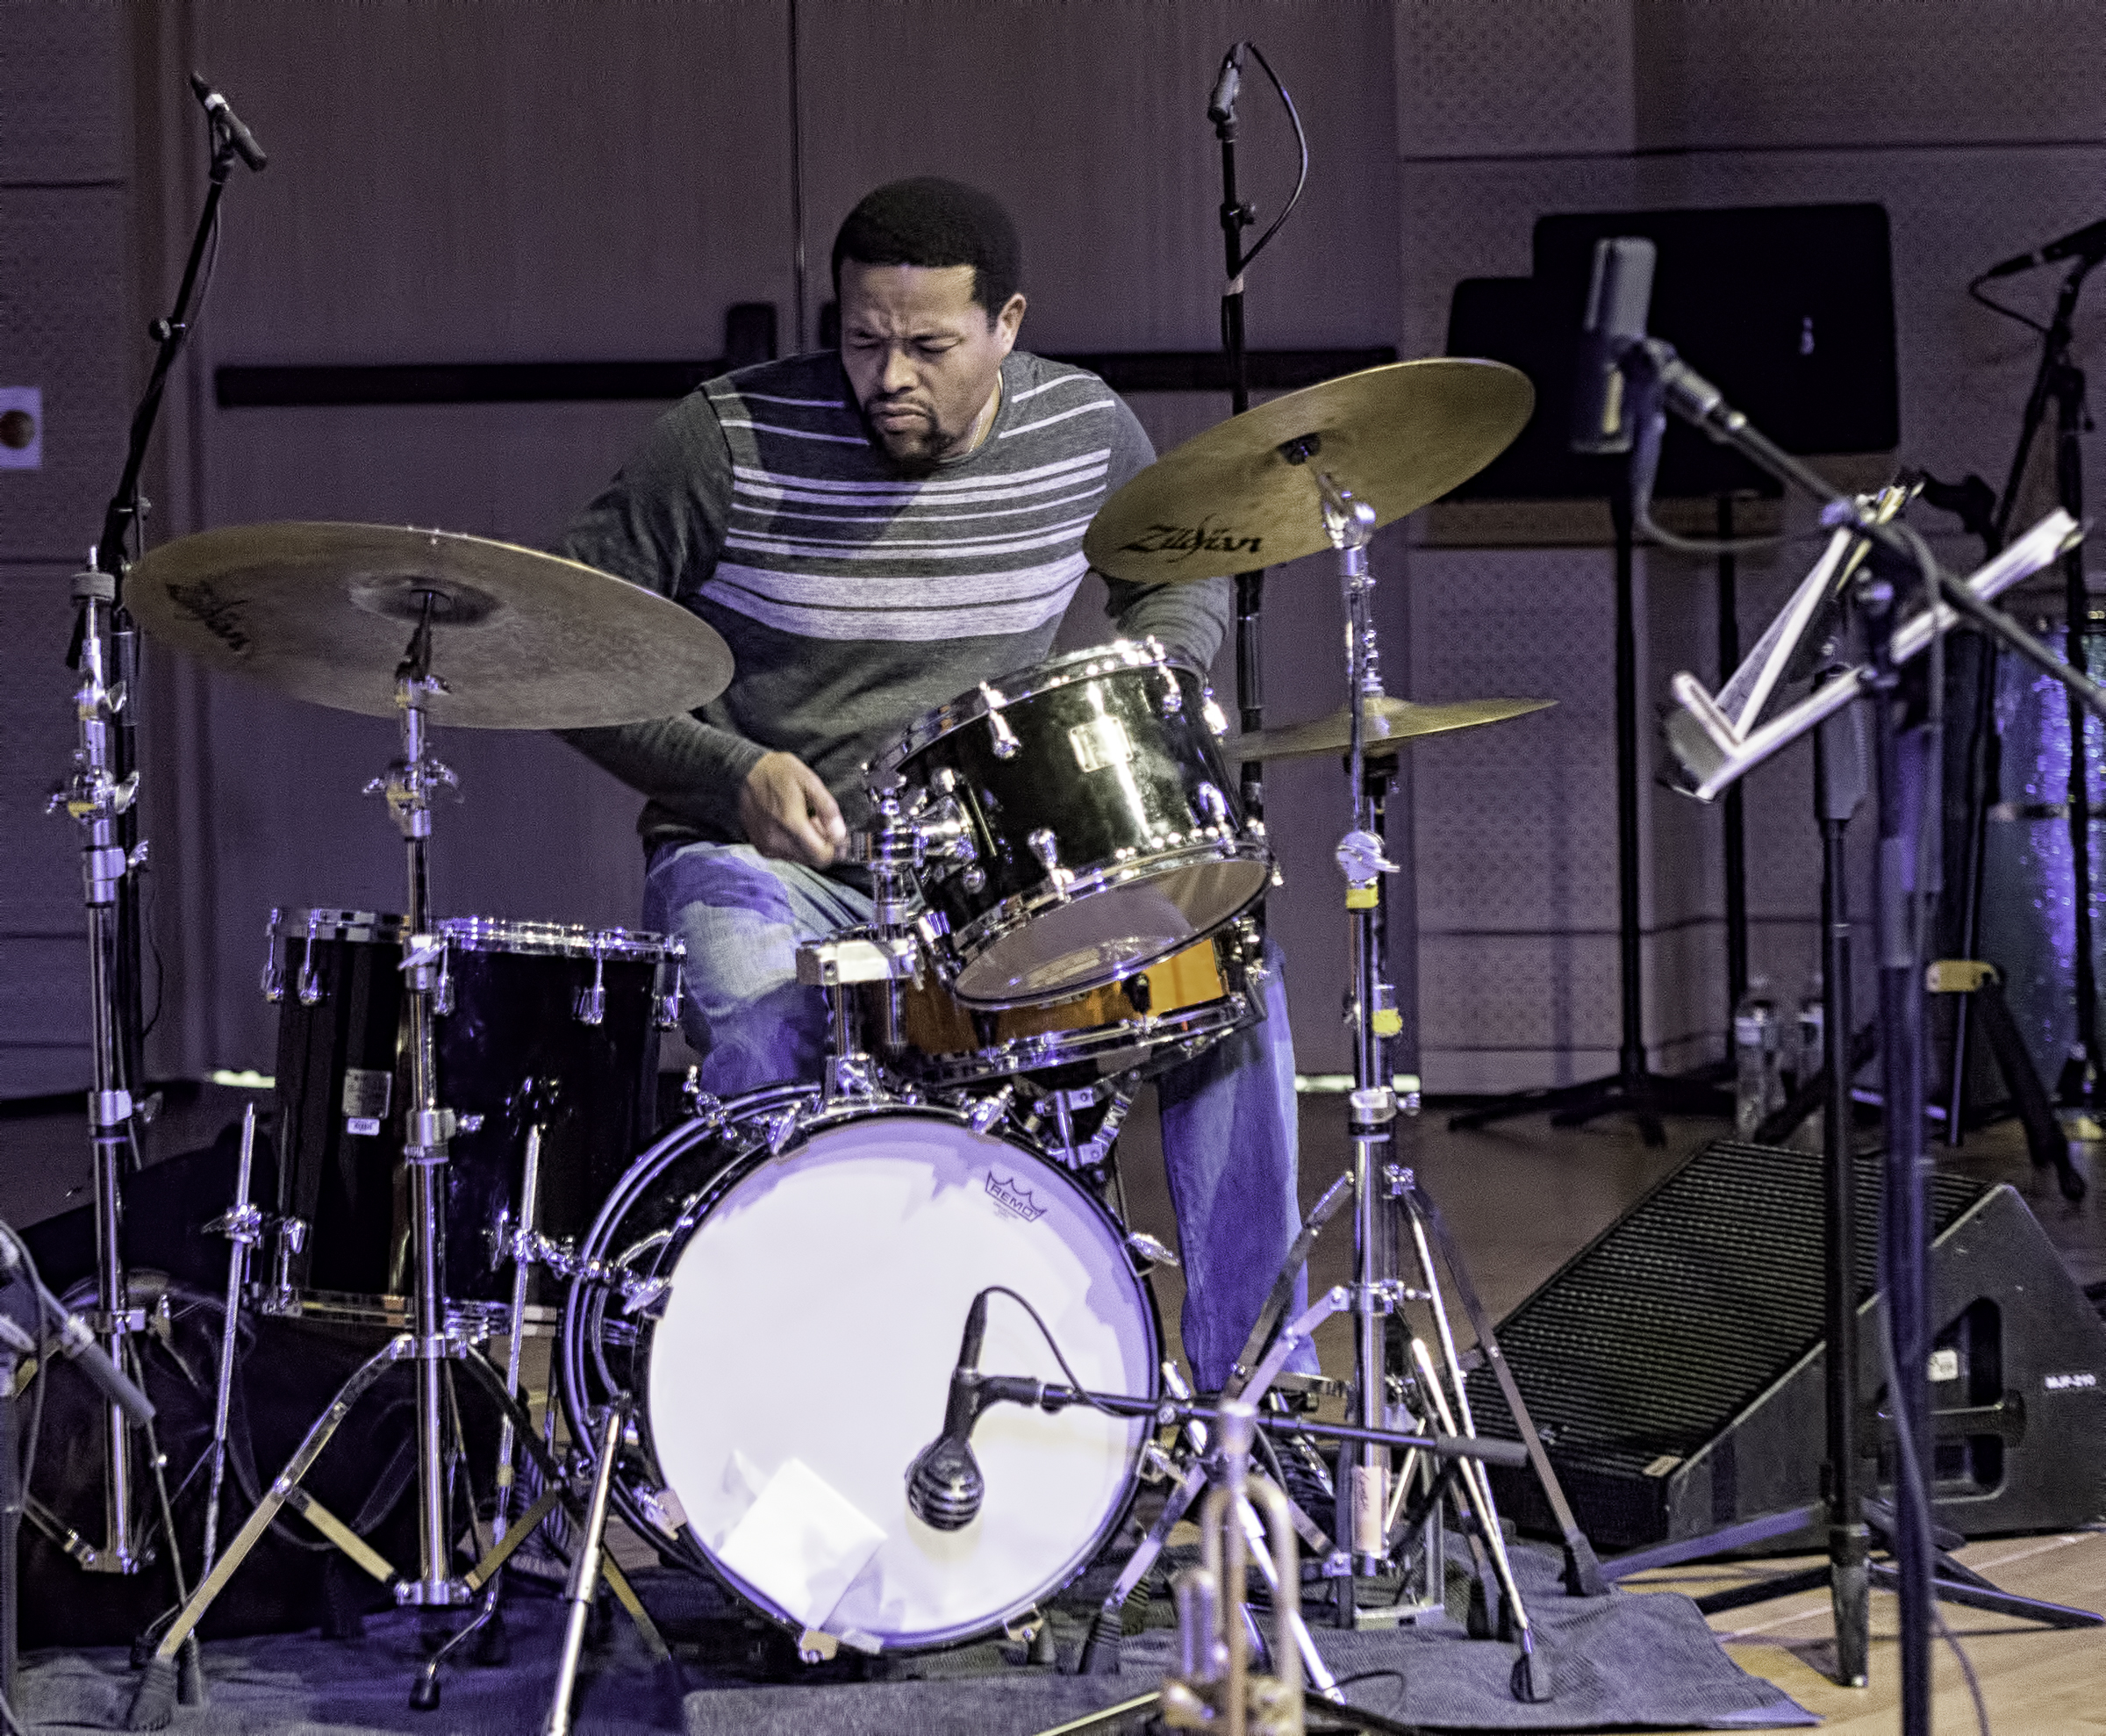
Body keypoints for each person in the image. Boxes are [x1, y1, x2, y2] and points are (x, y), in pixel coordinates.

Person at [557, 177, 1306, 1393]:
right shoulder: (725, 440)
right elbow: (567, 638)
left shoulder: (1086, 430)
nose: (889, 375)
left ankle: (1255, 1406)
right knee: (759, 1028)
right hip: (767, 868)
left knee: (1229, 981)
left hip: (988, 876)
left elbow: (1176, 571)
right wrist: (727, 768)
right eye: (862, 340)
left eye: (928, 345)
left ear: (1008, 323)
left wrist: (1153, 668)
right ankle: (818, 1395)